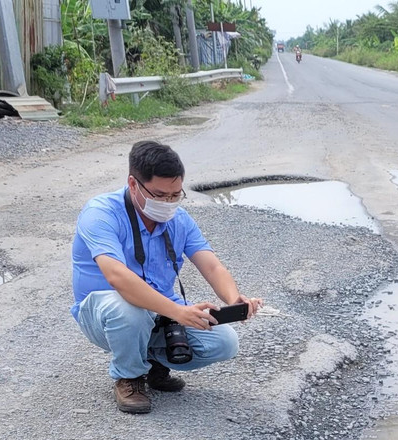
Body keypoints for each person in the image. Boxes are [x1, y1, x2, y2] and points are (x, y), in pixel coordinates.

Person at [71, 140, 262, 414]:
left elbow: (211, 266)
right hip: (104, 314)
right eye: (160, 195)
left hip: (160, 312)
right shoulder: (100, 213)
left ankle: (152, 364)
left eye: (175, 195)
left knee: (224, 342)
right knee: (129, 311)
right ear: (133, 184)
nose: (168, 203)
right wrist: (178, 311)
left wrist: (234, 300)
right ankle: (129, 377)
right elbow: (118, 278)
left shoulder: (179, 219)